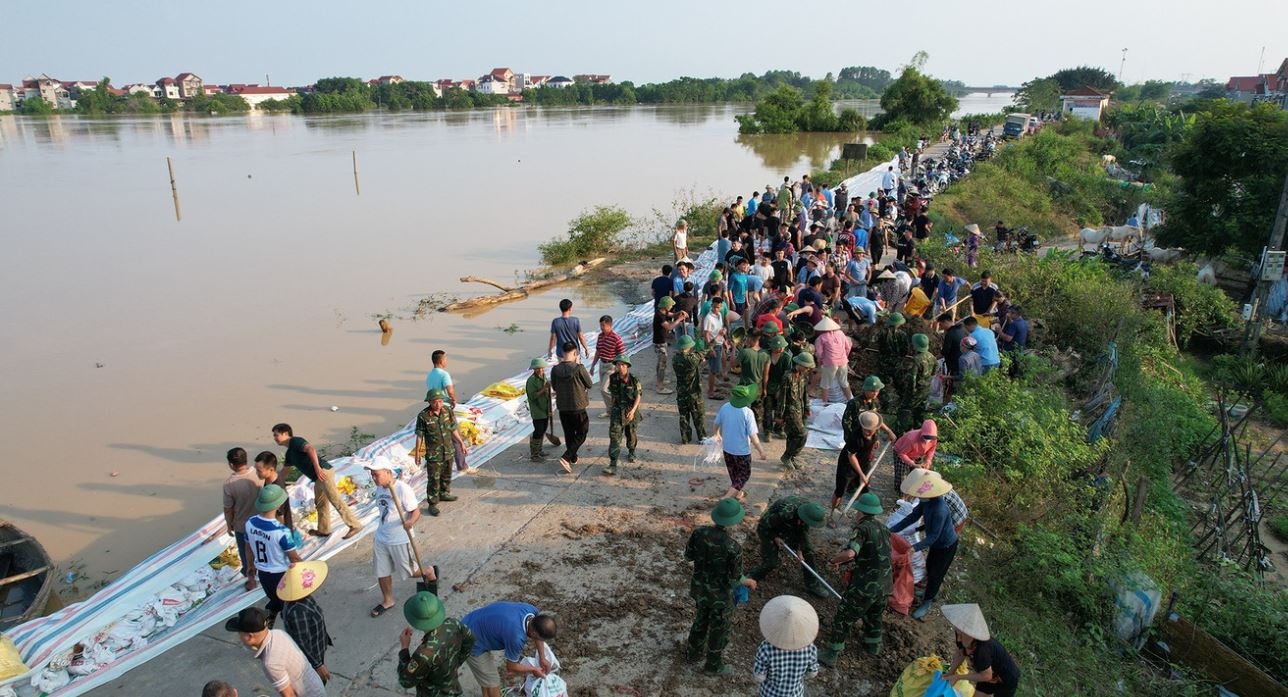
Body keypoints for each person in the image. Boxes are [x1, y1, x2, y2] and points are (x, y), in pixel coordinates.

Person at [685, 498, 758, 675]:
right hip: (720, 597)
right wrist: (749, 581)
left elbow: (688, 556)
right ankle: (713, 666)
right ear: (734, 521)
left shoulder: (699, 533)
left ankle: (693, 654)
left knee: (700, 620)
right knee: (718, 630)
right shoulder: (733, 547)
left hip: (700, 589)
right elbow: (736, 577)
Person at [820, 492, 892, 665]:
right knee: (874, 615)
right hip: (885, 584)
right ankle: (873, 646)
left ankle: (832, 653)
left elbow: (851, 553)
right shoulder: (884, 529)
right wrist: (843, 563)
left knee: (843, 617)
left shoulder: (862, 529)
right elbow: (871, 554)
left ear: (860, 511)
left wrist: (834, 560)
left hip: (865, 587)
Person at [367, 461, 435, 617]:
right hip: (381, 536)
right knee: (382, 571)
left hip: (399, 538)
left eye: (376, 475)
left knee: (410, 571)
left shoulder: (402, 489)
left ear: (388, 473)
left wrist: (410, 522)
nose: (374, 478)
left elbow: (415, 511)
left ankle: (428, 571)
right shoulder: (379, 488)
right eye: (372, 475)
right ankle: (388, 600)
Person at [889, 469, 959, 619]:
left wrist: (914, 548)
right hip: (936, 543)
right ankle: (931, 592)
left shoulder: (940, 509)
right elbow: (912, 517)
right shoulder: (925, 502)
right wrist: (892, 530)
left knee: (935, 574)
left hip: (946, 545)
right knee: (929, 566)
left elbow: (933, 536)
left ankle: (927, 602)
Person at [272, 424, 362, 540]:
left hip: (323, 472)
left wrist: (317, 468)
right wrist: (274, 484)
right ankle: (324, 530)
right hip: (317, 478)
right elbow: (284, 472)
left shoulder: (296, 441)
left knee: (335, 499)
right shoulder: (289, 454)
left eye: (276, 435)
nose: (275, 438)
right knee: (320, 503)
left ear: (285, 433)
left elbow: (310, 449)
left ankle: (355, 525)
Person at [460, 602, 558, 697]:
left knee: (486, 676)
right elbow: (511, 667)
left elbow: (537, 633)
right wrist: (533, 670)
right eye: (540, 638)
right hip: (470, 639)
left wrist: (542, 658)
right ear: (534, 633)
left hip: (473, 620)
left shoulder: (530, 610)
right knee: (493, 681)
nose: (540, 641)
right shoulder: (516, 637)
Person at [225, 607, 326, 697]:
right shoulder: (278, 633)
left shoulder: (271, 663)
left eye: (239, 633)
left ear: (249, 636)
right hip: (315, 685)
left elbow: (289, 695)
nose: (239, 636)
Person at [398, 591, 476, 697]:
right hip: (453, 689)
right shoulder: (454, 624)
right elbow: (470, 640)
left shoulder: (423, 654)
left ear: (415, 622)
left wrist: (404, 648)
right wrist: (455, 664)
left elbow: (405, 681)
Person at [748, 496, 827, 597]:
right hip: (770, 529)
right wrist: (775, 537)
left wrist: (799, 549)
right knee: (771, 563)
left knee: (808, 551)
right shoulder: (785, 513)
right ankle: (750, 577)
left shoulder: (807, 513)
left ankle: (812, 584)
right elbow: (762, 526)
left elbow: (803, 532)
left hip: (791, 524)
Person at [245, 484, 302, 622]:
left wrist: (250, 565)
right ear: (278, 505)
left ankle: (268, 619)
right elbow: (294, 558)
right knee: (289, 607)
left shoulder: (250, 523)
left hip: (263, 574)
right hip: (281, 576)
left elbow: (248, 547)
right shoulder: (281, 532)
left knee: (274, 599)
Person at [941, 604, 1022, 697]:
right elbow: (961, 652)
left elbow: (987, 676)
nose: (958, 639)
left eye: (962, 635)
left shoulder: (983, 650)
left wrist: (957, 677)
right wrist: (950, 673)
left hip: (1005, 679)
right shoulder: (960, 633)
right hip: (987, 672)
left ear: (972, 634)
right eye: (957, 633)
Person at [277, 561, 334, 684]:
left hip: (317, 648)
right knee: (316, 685)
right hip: (310, 658)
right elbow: (301, 641)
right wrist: (318, 665)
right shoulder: (298, 611)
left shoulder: (302, 599)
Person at [753, 595, 820, 696]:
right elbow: (812, 673)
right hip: (795, 694)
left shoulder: (766, 648)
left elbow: (759, 677)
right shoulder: (810, 648)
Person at [833, 409, 895, 515]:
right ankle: (833, 512)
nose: (866, 432)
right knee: (840, 490)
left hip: (864, 461)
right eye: (865, 429)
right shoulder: (855, 438)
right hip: (848, 464)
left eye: (870, 430)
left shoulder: (873, 424)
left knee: (864, 489)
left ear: (875, 428)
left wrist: (889, 431)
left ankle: (860, 514)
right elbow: (851, 456)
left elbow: (879, 422)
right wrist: (861, 475)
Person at [415, 390, 465, 517]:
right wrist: (417, 453)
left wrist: (461, 443)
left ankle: (444, 493)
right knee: (434, 479)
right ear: (429, 402)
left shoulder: (447, 411)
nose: (438, 404)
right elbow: (419, 436)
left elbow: (453, 429)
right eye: (435, 402)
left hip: (448, 450)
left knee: (447, 474)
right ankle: (432, 503)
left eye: (440, 401)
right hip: (434, 454)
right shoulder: (423, 416)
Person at [713, 384, 766, 500]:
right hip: (742, 452)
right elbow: (753, 436)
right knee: (744, 474)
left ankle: (738, 493)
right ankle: (726, 497)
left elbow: (716, 423)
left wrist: (716, 434)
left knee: (734, 473)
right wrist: (761, 451)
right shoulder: (747, 412)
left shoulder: (725, 407)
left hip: (727, 449)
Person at [223, 447, 262, 591]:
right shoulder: (258, 473)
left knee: (247, 555)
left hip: (243, 526)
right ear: (246, 459)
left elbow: (228, 509)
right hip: (262, 520)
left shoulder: (229, 484)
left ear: (231, 464)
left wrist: (229, 525)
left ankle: (251, 580)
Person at [550, 341, 593, 472]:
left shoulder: (555, 370)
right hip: (578, 406)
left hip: (563, 407)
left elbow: (555, 387)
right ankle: (566, 457)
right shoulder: (579, 368)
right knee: (582, 432)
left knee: (569, 433)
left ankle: (573, 457)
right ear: (575, 353)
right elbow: (589, 384)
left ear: (562, 353)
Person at [604, 355, 642, 476]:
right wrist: (611, 408)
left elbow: (638, 396)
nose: (620, 367)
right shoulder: (613, 378)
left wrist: (633, 411)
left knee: (631, 433)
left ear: (627, 366)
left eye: (623, 365)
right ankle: (613, 464)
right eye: (618, 365)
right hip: (617, 411)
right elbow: (613, 394)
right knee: (614, 436)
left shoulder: (634, 379)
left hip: (630, 411)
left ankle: (631, 451)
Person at [896, 334, 937, 433]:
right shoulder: (932, 357)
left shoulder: (917, 359)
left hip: (916, 389)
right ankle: (919, 429)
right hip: (925, 388)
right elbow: (934, 371)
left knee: (904, 409)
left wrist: (912, 390)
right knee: (920, 410)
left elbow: (912, 378)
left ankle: (899, 431)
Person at [672, 335, 709, 444]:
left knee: (684, 416)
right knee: (698, 416)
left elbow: (691, 363)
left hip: (681, 393)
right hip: (693, 393)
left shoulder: (675, 359)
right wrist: (717, 338)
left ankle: (685, 438)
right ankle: (702, 437)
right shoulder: (692, 359)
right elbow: (705, 351)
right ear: (689, 347)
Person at [780, 353, 814, 471]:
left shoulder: (803, 376)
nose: (808, 369)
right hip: (790, 411)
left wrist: (807, 408)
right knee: (802, 434)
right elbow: (782, 397)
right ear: (800, 364)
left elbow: (805, 394)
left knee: (793, 435)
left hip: (800, 410)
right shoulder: (788, 377)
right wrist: (780, 415)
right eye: (807, 367)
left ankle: (791, 457)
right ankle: (787, 456)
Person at [589, 315, 626, 418]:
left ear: (609, 325)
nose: (601, 327)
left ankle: (615, 408)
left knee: (604, 389)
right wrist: (593, 365)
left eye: (603, 325)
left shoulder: (616, 338)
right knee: (607, 390)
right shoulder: (600, 336)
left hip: (611, 366)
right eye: (600, 325)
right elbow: (598, 351)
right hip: (602, 364)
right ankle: (610, 411)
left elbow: (622, 355)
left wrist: (621, 369)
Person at [525, 359, 560, 464]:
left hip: (545, 409)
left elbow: (547, 394)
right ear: (534, 369)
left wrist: (550, 409)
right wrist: (544, 389)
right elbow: (532, 396)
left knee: (543, 429)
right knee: (538, 431)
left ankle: (539, 450)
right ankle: (534, 455)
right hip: (537, 411)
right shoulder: (531, 381)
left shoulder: (544, 377)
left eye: (542, 368)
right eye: (537, 369)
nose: (540, 370)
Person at [812, 317, 852, 404]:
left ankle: (824, 404)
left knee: (825, 385)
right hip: (843, 362)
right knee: (844, 382)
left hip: (830, 363)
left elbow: (819, 353)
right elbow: (847, 347)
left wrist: (820, 361)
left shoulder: (820, 338)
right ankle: (851, 400)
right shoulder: (841, 333)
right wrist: (844, 356)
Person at [653, 296, 687, 394]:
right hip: (659, 343)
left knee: (660, 363)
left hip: (662, 341)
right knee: (662, 364)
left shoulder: (663, 312)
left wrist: (679, 313)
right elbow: (669, 327)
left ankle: (659, 380)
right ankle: (660, 387)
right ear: (666, 306)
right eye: (670, 305)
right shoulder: (659, 316)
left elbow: (672, 314)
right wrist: (679, 319)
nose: (671, 307)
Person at [892, 419, 938, 491]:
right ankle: (901, 493)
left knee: (917, 474)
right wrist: (912, 464)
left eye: (931, 438)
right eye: (926, 437)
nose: (928, 440)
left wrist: (928, 460)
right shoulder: (911, 439)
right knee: (901, 476)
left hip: (917, 454)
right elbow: (902, 453)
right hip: (901, 452)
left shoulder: (934, 439)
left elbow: (931, 450)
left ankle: (912, 491)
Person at [762, 335, 792, 442]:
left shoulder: (786, 358)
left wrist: (781, 390)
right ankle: (768, 430)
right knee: (768, 409)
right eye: (777, 347)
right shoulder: (766, 355)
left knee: (781, 409)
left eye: (782, 347)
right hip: (768, 385)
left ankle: (779, 428)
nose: (780, 349)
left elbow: (786, 376)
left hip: (781, 386)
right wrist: (764, 388)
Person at [701, 297, 729, 399]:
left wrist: (724, 340)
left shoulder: (719, 315)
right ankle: (711, 392)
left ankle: (713, 387)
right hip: (714, 345)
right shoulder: (709, 318)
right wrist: (711, 348)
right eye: (715, 307)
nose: (717, 309)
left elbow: (720, 329)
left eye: (719, 307)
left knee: (715, 369)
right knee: (713, 370)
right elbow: (706, 334)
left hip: (719, 343)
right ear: (712, 305)